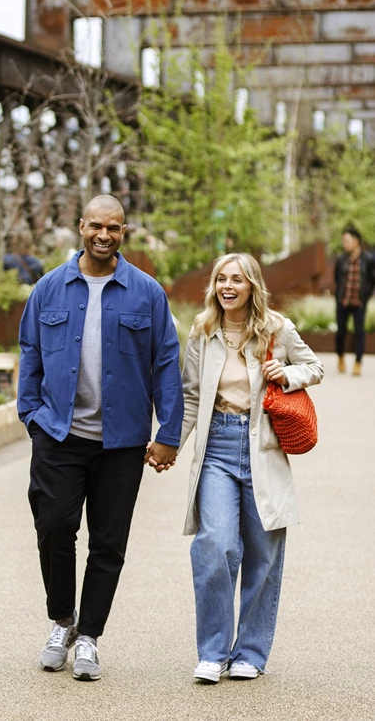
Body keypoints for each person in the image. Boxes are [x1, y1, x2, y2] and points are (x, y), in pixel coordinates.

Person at [17, 195, 183, 681]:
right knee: (53, 526)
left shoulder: (147, 293)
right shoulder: (49, 289)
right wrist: (31, 414)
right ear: (81, 227)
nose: (103, 235)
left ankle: (88, 636)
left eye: (113, 227)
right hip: (58, 434)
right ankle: (61, 621)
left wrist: (167, 433)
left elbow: (166, 364)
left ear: (123, 231)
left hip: (122, 442)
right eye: (95, 226)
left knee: (108, 542)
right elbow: (30, 353)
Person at [177, 253, 323, 684]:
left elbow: (313, 368)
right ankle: (213, 651)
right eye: (221, 279)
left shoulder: (275, 328)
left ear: (252, 286)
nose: (227, 286)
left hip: (263, 447)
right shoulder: (203, 331)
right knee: (215, 544)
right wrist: (168, 445)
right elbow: (189, 396)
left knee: (263, 552)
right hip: (217, 448)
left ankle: (251, 653)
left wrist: (287, 374)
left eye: (237, 280)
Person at [334, 226, 375, 376]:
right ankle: (340, 357)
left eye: (347, 241)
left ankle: (358, 362)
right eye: (343, 241)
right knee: (340, 332)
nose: (344, 244)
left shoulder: (369, 259)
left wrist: (365, 297)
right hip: (342, 301)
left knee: (359, 332)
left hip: (359, 303)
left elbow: (371, 280)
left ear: (356, 241)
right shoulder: (341, 259)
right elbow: (337, 278)